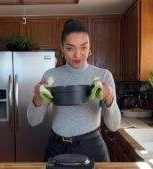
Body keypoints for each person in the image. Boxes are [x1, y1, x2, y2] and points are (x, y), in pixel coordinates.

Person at [26, 19, 121, 162]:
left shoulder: (104, 76)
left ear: (90, 49)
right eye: (70, 48)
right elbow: (33, 121)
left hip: (91, 147)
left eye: (83, 47)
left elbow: (114, 126)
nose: (77, 55)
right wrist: (36, 99)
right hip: (57, 147)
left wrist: (109, 98)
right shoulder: (50, 75)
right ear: (62, 49)